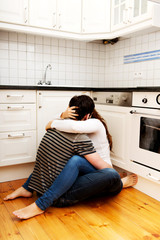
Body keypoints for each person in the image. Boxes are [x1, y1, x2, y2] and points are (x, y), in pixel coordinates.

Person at [4, 95, 138, 219]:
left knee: (109, 174)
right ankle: (28, 189)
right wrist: (62, 115)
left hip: (100, 166)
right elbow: (70, 126)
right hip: (88, 165)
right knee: (67, 157)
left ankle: (120, 183)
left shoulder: (94, 124)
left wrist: (56, 120)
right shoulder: (74, 131)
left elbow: (73, 126)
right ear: (86, 115)